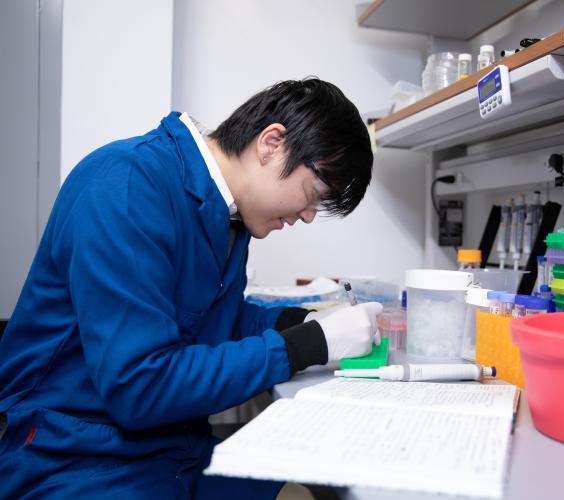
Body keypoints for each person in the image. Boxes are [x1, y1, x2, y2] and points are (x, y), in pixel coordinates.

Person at [0, 78, 382, 498]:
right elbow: (139, 386)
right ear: (272, 143)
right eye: (313, 194)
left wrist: (303, 321)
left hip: (172, 449)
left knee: (316, 477)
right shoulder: (125, 185)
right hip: (76, 458)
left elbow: (214, 320)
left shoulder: (227, 215)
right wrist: (306, 346)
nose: (308, 216)